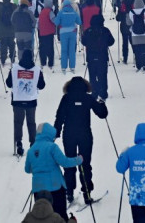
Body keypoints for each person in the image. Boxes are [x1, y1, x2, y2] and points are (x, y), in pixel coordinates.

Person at [54, 76, 108, 205]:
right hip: (85, 135)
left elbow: (59, 116)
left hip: (69, 135)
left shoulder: (66, 98)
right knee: (85, 164)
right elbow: (102, 114)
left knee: (69, 163)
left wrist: (56, 133)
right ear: (85, 86)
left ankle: (69, 192)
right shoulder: (87, 97)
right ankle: (87, 193)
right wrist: (102, 104)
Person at [24, 123, 82, 222]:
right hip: (55, 187)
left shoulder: (31, 150)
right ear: (48, 134)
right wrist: (78, 160)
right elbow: (65, 162)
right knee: (60, 216)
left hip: (38, 190)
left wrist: (38, 168)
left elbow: (27, 169)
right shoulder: (52, 147)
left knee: (42, 217)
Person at [7, 49, 46, 156]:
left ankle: (18, 142)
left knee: (18, 122)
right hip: (31, 100)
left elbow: (9, 84)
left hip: (17, 100)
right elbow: (42, 85)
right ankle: (33, 143)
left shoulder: (14, 69)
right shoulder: (37, 70)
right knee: (31, 123)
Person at [80, 14, 114, 99]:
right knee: (103, 75)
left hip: (91, 57)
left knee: (92, 75)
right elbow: (111, 41)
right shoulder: (105, 30)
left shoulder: (88, 31)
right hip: (103, 56)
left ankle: (94, 92)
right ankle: (103, 92)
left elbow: (83, 42)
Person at [54, 0, 82, 74]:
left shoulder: (60, 12)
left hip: (63, 33)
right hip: (72, 32)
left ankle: (63, 67)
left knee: (64, 50)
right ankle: (72, 67)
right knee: (72, 50)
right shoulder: (74, 12)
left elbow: (56, 22)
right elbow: (79, 22)